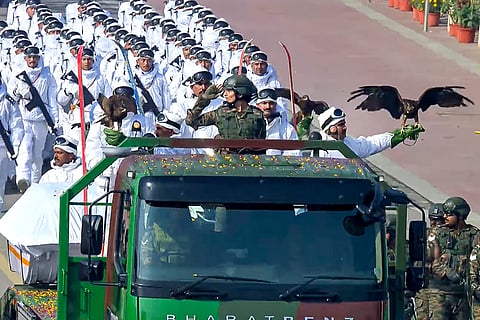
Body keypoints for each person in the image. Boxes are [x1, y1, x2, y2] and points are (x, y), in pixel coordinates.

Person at [8, 46, 58, 192]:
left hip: (41, 120)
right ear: (25, 58)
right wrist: (19, 92)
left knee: (37, 154)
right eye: (29, 57)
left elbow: (52, 98)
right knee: (25, 150)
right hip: (23, 119)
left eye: (35, 57)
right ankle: (23, 179)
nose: (32, 60)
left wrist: (54, 120)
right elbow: (11, 97)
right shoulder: (18, 75)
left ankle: (35, 184)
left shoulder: (46, 75)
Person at [430, 196, 479, 319]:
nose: (445, 217)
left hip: (463, 295)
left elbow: (476, 260)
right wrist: (447, 272)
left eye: (449, 214)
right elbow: (431, 261)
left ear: (460, 216)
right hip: (440, 294)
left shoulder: (474, 235)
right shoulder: (437, 233)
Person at [185, 75, 265, 148]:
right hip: (225, 160)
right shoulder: (220, 113)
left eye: (229, 91)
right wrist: (205, 98)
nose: (225, 94)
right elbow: (191, 121)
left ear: (240, 93)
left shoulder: (257, 114)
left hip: (250, 160)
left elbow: (262, 143)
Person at [316, 107, 424, 158]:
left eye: (344, 124)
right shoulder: (315, 145)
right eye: (341, 125)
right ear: (332, 128)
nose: (345, 127)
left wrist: (400, 134)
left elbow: (372, 144)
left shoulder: (348, 144)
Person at [415, 203, 446, 319]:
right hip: (423, 285)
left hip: (440, 288)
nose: (434, 223)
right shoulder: (423, 235)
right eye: (431, 219)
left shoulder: (447, 238)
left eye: (437, 220)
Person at [0, 80, 24, 213]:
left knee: (0, 179)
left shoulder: (8, 101)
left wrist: (14, 146)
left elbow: (17, 125)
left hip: (2, 145)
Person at [255, 87, 299, 156]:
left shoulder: (287, 129)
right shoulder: (251, 125)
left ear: (276, 105)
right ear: (257, 105)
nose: (268, 107)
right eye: (264, 103)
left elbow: (294, 154)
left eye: (271, 103)